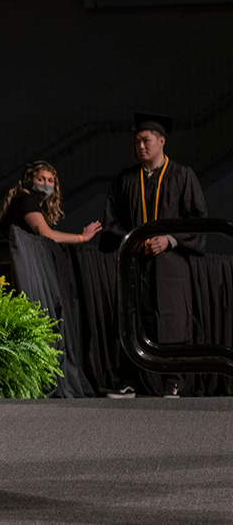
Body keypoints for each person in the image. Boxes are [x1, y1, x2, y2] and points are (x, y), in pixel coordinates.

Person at [100, 113, 206, 398]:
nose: (141, 147)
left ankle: (173, 381)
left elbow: (198, 220)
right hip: (136, 264)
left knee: (172, 322)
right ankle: (128, 381)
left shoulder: (182, 175)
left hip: (171, 265)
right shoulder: (125, 179)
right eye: (137, 142)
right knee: (131, 320)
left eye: (146, 141)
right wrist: (133, 242)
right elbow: (111, 222)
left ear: (161, 141)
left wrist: (170, 239)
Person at [0, 160, 101, 244]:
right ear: (29, 181)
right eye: (41, 179)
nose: (46, 184)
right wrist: (82, 237)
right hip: (3, 263)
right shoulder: (26, 200)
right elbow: (46, 235)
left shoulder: (32, 203)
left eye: (50, 181)